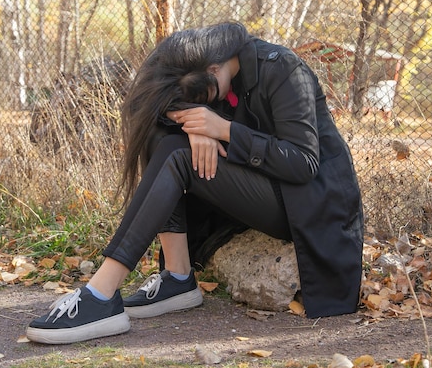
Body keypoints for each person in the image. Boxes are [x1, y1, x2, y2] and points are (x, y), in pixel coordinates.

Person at [26, 22, 364, 345]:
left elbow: (303, 163)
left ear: (215, 68)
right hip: (260, 188)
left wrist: (225, 130)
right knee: (161, 139)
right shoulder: (199, 61)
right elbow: (147, 104)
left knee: (178, 154)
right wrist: (189, 123)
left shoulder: (284, 70)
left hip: (306, 204)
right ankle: (178, 278)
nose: (207, 104)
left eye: (205, 97)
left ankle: (101, 294)